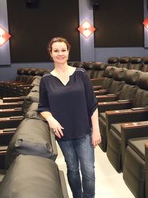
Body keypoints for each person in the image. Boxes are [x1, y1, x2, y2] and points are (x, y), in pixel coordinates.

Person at [38, 37, 101, 198]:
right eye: (56, 51)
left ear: (68, 52)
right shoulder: (46, 80)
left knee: (88, 171)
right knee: (72, 169)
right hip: (63, 134)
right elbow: (43, 107)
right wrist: (51, 119)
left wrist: (96, 131)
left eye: (63, 50)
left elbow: (92, 104)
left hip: (84, 131)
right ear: (50, 54)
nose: (60, 54)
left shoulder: (80, 74)